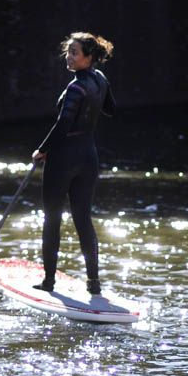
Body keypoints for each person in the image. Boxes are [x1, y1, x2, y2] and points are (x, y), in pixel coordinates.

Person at [31, 32, 116, 295]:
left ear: (89, 57)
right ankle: (94, 284)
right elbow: (111, 109)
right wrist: (93, 103)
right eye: (68, 52)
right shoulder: (99, 79)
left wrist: (41, 150)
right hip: (88, 157)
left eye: (75, 53)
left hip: (64, 159)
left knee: (52, 219)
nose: (69, 57)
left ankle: (48, 282)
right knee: (83, 219)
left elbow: (63, 125)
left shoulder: (75, 87)